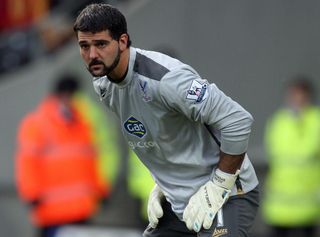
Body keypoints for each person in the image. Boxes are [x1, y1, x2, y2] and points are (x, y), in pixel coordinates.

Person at [73, 3, 259, 237]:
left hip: (228, 194)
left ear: (122, 41)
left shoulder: (166, 79)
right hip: (178, 200)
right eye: (84, 46)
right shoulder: (103, 84)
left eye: (100, 44)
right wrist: (163, 183)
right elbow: (162, 132)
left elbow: (238, 120)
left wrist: (219, 184)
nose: (92, 55)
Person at [15, 75, 109, 237]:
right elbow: (27, 161)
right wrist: (31, 193)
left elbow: (89, 161)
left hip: (80, 209)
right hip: (52, 211)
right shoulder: (37, 124)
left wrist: (100, 190)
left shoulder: (82, 124)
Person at [262, 76, 320, 237]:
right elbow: (273, 151)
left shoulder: (316, 120)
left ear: (308, 97)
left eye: (301, 95)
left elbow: (309, 148)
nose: (297, 99)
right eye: (293, 95)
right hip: (279, 203)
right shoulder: (278, 120)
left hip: (308, 203)